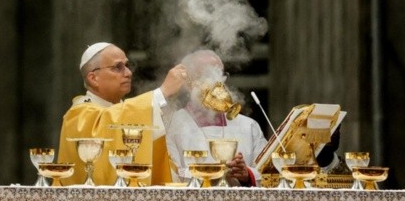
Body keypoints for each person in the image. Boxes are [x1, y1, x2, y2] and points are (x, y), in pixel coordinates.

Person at [56, 42, 187, 186]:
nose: (128, 73)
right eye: (117, 67)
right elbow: (110, 120)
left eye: (126, 66)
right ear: (94, 78)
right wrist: (162, 93)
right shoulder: (77, 115)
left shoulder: (126, 112)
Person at [165, 50, 267, 186]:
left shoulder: (248, 126)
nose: (217, 81)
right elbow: (171, 176)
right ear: (189, 83)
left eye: (220, 74)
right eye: (207, 74)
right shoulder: (172, 125)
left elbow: (270, 174)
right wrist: (212, 172)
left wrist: (246, 174)